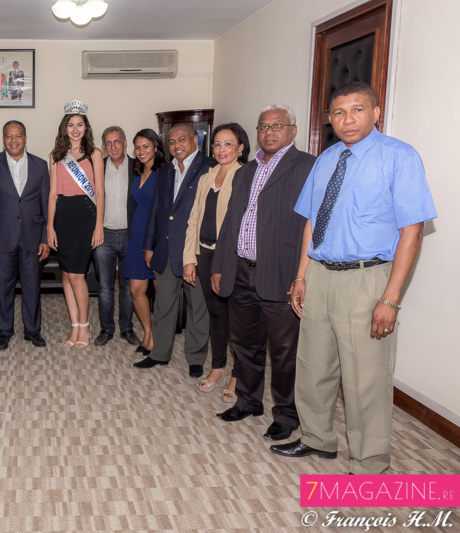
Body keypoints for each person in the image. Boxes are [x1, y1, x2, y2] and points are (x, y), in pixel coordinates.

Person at [271, 82, 437, 474]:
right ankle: (317, 439)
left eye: (357, 110)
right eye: (339, 112)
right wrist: (301, 276)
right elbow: (312, 221)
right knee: (313, 367)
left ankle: (369, 464)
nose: (348, 120)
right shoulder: (326, 159)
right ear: (329, 119)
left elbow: (412, 233)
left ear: (376, 113)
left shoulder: (399, 157)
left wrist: (390, 299)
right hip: (320, 275)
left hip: (368, 278)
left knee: (365, 378)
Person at [211, 105, 315, 442]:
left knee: (284, 352)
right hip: (241, 271)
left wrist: (301, 276)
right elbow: (231, 222)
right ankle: (248, 400)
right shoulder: (247, 171)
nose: (269, 132)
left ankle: (286, 414)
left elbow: (313, 225)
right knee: (244, 344)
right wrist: (220, 265)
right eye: (263, 127)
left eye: (277, 126)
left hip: (281, 275)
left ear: (293, 130)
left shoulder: (308, 167)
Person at [134, 123, 211, 375]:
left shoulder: (210, 167)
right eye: (172, 141)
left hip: (194, 251)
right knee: (163, 304)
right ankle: (159, 353)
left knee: (197, 306)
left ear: (195, 140)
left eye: (182, 139)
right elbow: (156, 210)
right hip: (165, 248)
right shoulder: (166, 171)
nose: (177, 145)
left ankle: (196, 358)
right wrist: (149, 245)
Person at [182, 123, 250, 401]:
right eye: (217, 144)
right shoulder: (206, 177)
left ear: (240, 147)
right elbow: (193, 219)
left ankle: (238, 374)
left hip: (232, 257)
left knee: (238, 319)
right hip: (205, 254)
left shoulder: (245, 176)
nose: (221, 149)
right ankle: (219, 366)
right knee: (216, 314)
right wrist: (189, 258)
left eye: (228, 143)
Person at [0, 120, 50, 350]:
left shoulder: (40, 165)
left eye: (18, 135)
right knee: (3, 287)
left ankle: (33, 330)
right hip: (1, 237)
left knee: (32, 286)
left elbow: (46, 205)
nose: (14, 140)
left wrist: (45, 239)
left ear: (25, 139)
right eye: (9, 136)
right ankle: (4, 331)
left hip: (33, 236)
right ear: (3, 140)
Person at [47, 100, 105, 348]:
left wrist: (99, 226)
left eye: (79, 124)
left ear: (86, 127)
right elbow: (52, 195)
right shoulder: (55, 156)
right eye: (70, 125)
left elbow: (100, 192)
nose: (75, 129)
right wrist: (50, 227)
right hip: (63, 217)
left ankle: (85, 325)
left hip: (85, 216)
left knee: (77, 275)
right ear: (64, 128)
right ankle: (74, 325)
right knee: (66, 275)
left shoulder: (95, 154)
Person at [92, 126, 140, 347]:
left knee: (128, 287)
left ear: (125, 143)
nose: (113, 147)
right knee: (105, 288)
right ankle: (106, 329)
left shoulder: (138, 167)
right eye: (108, 143)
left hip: (131, 236)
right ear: (104, 146)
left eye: (117, 142)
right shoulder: (97, 167)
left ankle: (127, 328)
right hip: (104, 236)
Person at [125, 129, 165, 355]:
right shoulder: (137, 171)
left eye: (146, 146)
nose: (141, 151)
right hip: (136, 236)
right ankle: (148, 332)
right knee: (136, 289)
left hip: (157, 236)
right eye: (138, 147)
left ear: (156, 147)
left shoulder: (165, 172)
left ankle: (158, 335)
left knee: (160, 290)